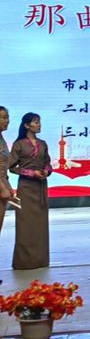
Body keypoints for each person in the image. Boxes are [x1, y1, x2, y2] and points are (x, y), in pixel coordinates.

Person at [8, 112, 52, 270]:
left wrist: (46, 171)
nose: (38, 124)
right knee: (25, 224)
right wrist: (31, 173)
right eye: (35, 122)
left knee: (40, 224)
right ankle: (24, 262)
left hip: (40, 187)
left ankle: (40, 260)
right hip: (26, 187)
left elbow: (47, 163)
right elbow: (12, 167)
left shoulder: (43, 144)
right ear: (26, 125)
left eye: (39, 121)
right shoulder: (18, 144)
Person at [0, 106, 15, 283]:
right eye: (3, 117)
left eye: (7, 117)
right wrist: (2, 188)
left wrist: (8, 187)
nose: (7, 121)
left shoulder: (2, 139)